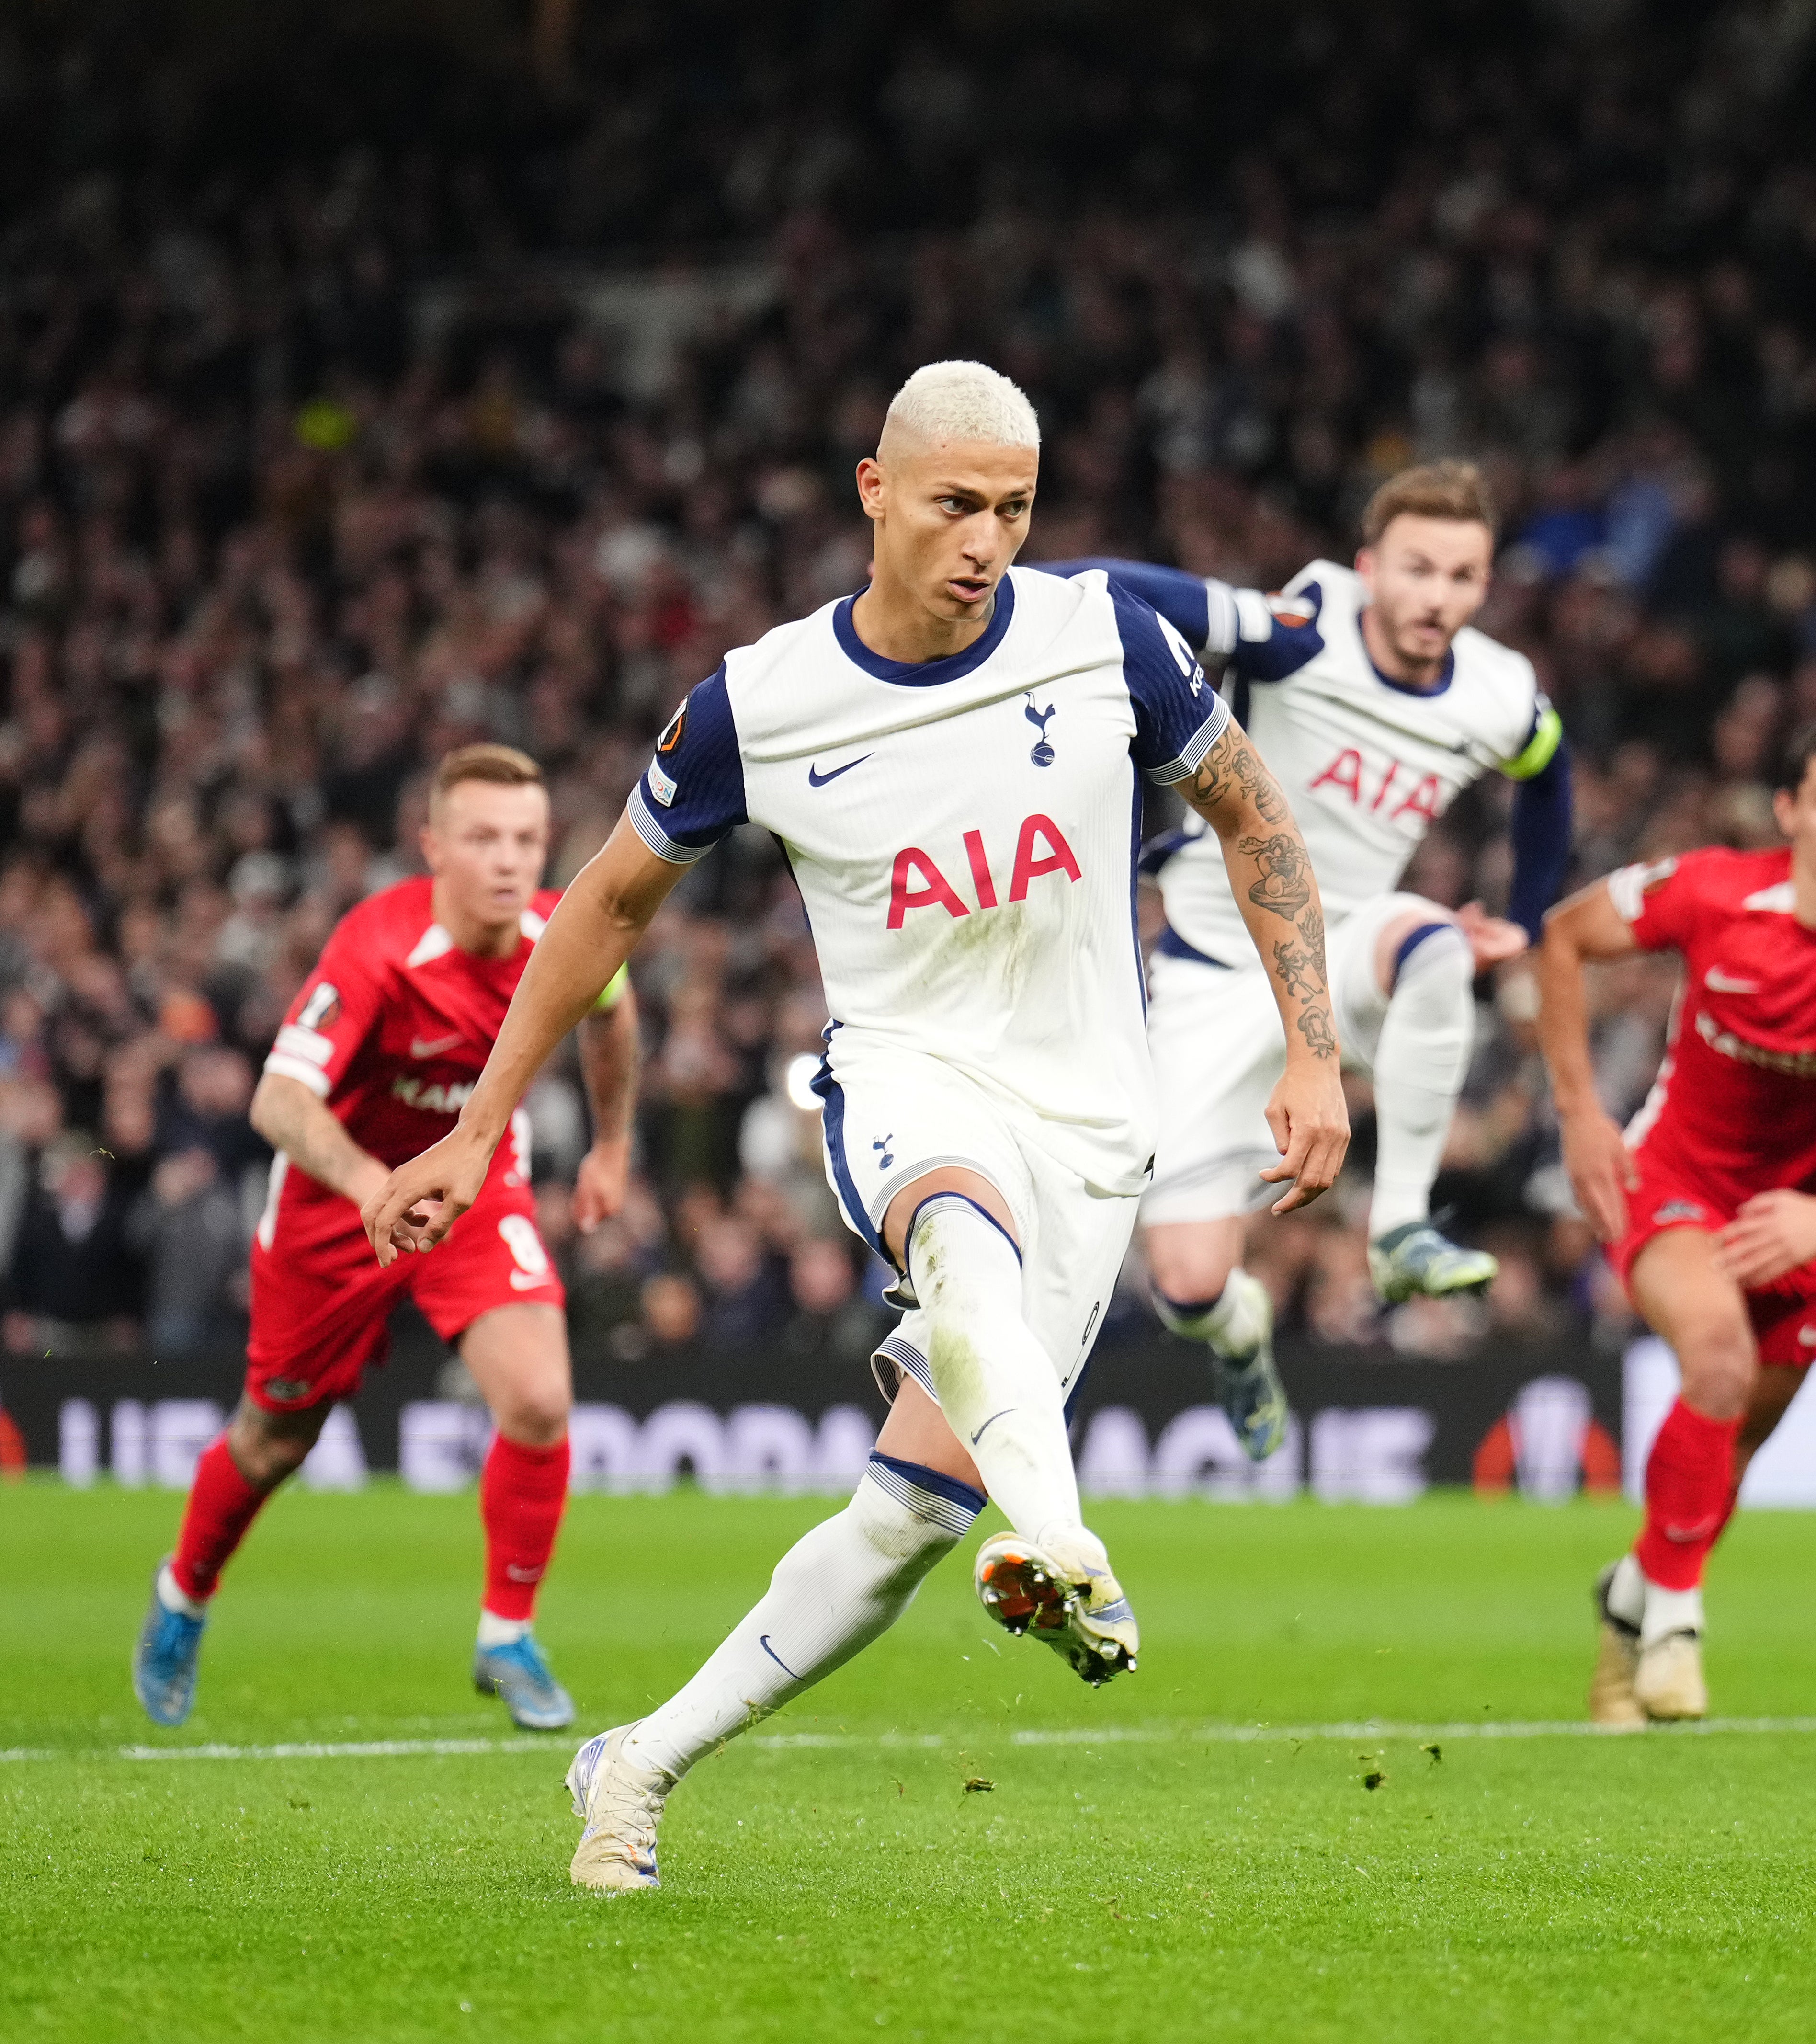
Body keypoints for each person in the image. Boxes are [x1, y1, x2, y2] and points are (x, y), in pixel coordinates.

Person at [359, 361, 1346, 1891]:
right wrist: (484, 1121)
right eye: (957, 504)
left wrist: (1315, 1053)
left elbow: (1253, 811)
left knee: (900, 1527)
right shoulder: (759, 700)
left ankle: (635, 1764)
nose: (987, 542)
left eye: (1016, 509)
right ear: (874, 489)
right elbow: (606, 901)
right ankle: (1069, 1546)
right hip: (906, 1075)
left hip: (1095, 1122)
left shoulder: (1105, 642)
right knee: (961, 1245)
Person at [1042, 459, 1573, 1457]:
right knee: (1189, 1285)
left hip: (1344, 953)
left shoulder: (1498, 692)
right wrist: (1005, 587)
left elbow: (1549, 774)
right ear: (1369, 567)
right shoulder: (1300, 634)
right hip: (1209, 974)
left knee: (1431, 947)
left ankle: (1401, 1227)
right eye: (1417, 569)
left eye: (1463, 576)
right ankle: (1239, 1333)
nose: (1438, 597)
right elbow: (1114, 590)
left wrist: (1528, 917)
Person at [131, 743, 641, 1731]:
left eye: (528, 840)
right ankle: (183, 1593)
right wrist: (376, 1184)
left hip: (473, 1193)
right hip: (339, 1205)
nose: (509, 860)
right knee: (276, 1436)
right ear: (433, 848)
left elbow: (612, 1015)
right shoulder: (376, 947)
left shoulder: (559, 931)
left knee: (539, 1398)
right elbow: (279, 1099)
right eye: (484, 838)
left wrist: (614, 1146)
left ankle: (507, 1634)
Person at [1536, 714, 1816, 1725]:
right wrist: (1577, 1113)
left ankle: (1631, 1594)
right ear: (1787, 810)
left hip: (1811, 1220)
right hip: (1673, 1180)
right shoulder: (1710, 890)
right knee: (1716, 1358)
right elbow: (1563, 936)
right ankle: (1675, 1624)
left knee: (1732, 1446)